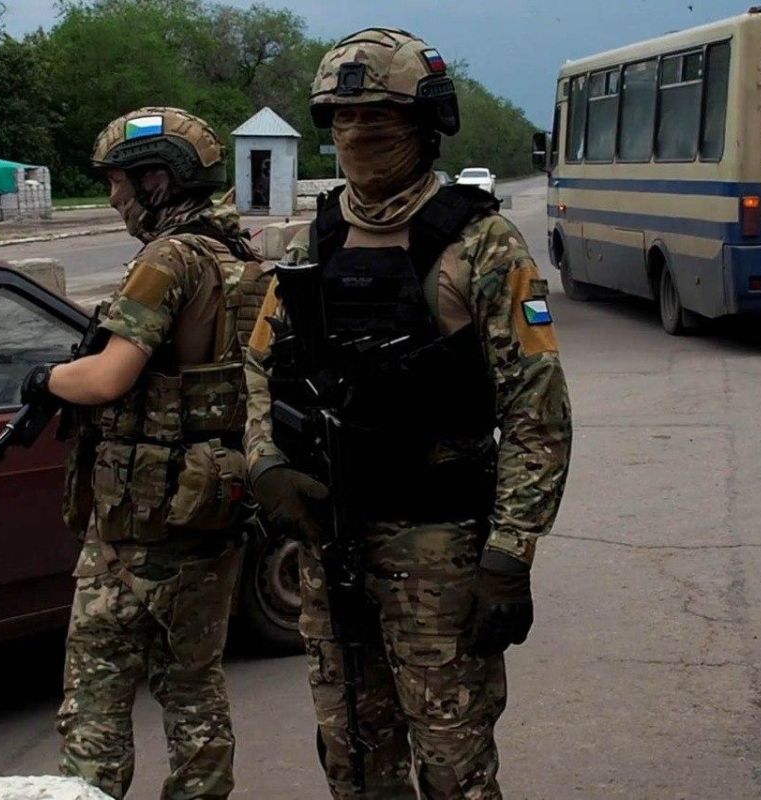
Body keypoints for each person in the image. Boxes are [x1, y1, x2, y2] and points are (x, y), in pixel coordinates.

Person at [243, 28, 573, 798]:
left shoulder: (482, 244)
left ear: (425, 126)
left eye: (378, 118)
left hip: (439, 550)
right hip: (333, 543)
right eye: (343, 119)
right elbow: (261, 366)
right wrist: (266, 464)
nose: (358, 134)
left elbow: (537, 409)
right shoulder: (314, 239)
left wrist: (510, 553)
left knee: (455, 768)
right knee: (353, 758)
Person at [20, 107, 271, 800]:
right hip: (211, 508)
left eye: (119, 182)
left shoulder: (167, 259)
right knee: (194, 688)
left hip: (139, 522)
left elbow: (108, 377)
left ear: (157, 180)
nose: (113, 198)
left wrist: (47, 379)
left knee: (95, 696)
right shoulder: (239, 256)